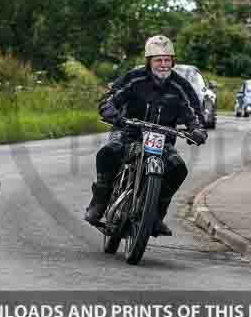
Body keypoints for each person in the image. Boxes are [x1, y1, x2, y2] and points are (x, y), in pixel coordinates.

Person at [84, 35, 208, 236]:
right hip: (128, 131)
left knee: (178, 168)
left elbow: (194, 112)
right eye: (158, 60)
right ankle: (99, 201)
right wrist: (109, 110)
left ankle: (156, 215)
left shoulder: (181, 86)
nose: (163, 65)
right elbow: (110, 97)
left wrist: (198, 129)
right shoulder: (135, 78)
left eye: (168, 60)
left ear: (173, 62)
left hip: (162, 138)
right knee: (108, 153)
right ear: (149, 61)